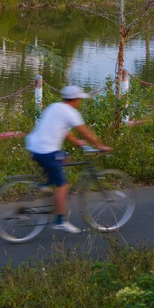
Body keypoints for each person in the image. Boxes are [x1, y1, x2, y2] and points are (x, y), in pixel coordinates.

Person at [25, 85, 111, 234]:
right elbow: (85, 132)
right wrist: (100, 146)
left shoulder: (54, 107)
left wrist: (77, 142)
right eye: (79, 99)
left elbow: (62, 130)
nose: (80, 102)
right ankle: (60, 221)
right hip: (47, 151)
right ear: (75, 99)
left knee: (64, 157)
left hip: (34, 147)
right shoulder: (71, 112)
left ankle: (46, 185)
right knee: (63, 186)